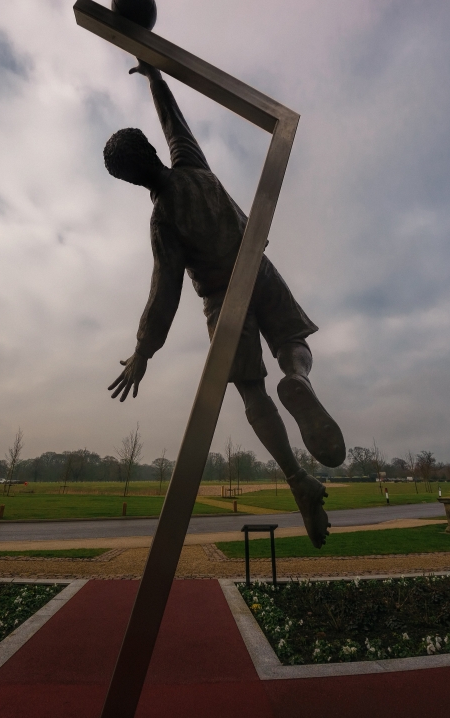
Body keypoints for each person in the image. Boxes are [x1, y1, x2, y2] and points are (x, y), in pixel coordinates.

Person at [103, 61, 345, 547]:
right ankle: (298, 378)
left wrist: (143, 351)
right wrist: (156, 80)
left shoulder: (163, 220)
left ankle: (297, 477)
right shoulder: (193, 167)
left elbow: (164, 291)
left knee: (253, 393)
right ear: (152, 150)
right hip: (256, 266)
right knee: (292, 341)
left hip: (222, 301)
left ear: (130, 181)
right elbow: (176, 124)